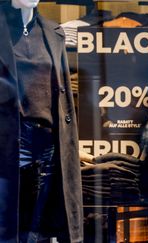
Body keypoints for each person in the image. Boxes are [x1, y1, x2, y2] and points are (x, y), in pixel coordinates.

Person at [0, 0, 84, 242]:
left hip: (49, 145)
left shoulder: (52, 32)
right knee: (12, 227)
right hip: (11, 145)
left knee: (40, 230)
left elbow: (64, 98)